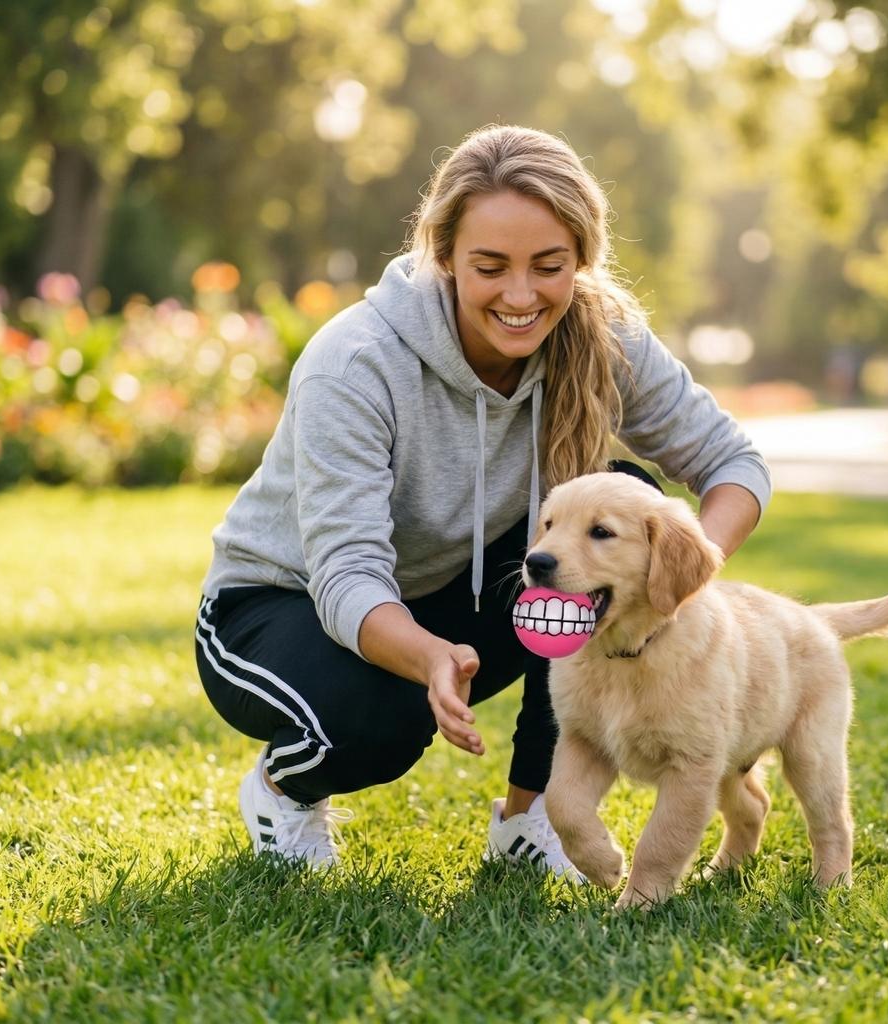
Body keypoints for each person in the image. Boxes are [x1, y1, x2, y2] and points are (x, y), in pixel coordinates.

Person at [194, 124, 770, 875]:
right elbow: (346, 575)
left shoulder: (606, 337)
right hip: (279, 605)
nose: (521, 296)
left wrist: (682, 576)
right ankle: (283, 791)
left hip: (444, 593)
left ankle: (531, 819)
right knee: (379, 721)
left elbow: (733, 463)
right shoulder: (356, 362)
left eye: (549, 267)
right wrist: (428, 656)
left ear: (582, 260)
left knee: (623, 509)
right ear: (445, 257)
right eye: (490, 267)